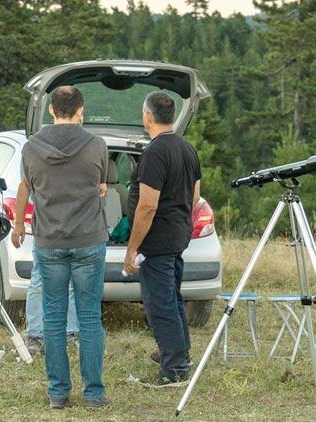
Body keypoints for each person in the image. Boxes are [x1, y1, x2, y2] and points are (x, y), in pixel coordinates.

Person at [11, 85, 109, 409]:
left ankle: (58, 393)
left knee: (53, 319)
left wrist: (18, 225)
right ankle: (94, 394)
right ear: (81, 110)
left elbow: (25, 187)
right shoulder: (97, 146)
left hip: (50, 242)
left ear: (51, 111)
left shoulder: (31, 147)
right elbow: (102, 187)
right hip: (89, 241)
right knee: (90, 318)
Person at [124, 91, 201, 386]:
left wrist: (132, 249)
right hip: (178, 235)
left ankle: (175, 369)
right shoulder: (187, 148)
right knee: (172, 298)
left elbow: (147, 205)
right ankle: (179, 352)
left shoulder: (155, 152)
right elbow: (194, 196)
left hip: (157, 241)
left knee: (160, 304)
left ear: (147, 116)